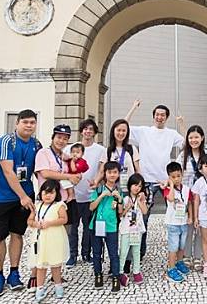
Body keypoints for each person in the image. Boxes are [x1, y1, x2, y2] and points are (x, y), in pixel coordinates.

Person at [0, 109, 42, 297]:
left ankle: (14, 272)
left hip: (25, 198)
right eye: (25, 122)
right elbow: (8, 172)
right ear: (16, 123)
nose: (29, 125)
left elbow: (40, 170)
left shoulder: (36, 144)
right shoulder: (6, 141)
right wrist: (23, 196)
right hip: (2, 198)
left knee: (17, 235)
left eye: (32, 122)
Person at [125, 99, 184, 259]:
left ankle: (178, 252)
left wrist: (182, 123)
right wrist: (133, 108)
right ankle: (139, 252)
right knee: (142, 217)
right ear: (153, 116)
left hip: (166, 181)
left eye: (163, 115)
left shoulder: (171, 133)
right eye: (157, 114)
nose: (160, 117)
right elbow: (123, 126)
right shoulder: (144, 131)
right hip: (147, 180)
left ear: (167, 117)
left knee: (176, 215)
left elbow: (187, 142)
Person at [32, 125, 82, 285]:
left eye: (65, 138)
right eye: (59, 137)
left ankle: (56, 275)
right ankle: (35, 277)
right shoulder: (44, 153)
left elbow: (72, 171)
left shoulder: (64, 156)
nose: (61, 141)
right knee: (41, 239)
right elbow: (45, 173)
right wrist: (68, 175)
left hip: (63, 201)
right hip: (46, 202)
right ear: (53, 137)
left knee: (59, 239)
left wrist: (76, 175)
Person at [68, 119, 105, 266]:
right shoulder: (71, 148)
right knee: (73, 228)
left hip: (90, 195)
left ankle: (86, 253)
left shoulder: (100, 149)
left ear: (95, 132)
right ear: (81, 131)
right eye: (85, 129)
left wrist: (96, 181)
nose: (88, 132)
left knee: (88, 228)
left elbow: (101, 169)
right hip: (73, 195)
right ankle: (72, 255)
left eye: (91, 129)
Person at [175, 124, 207, 271]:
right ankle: (187, 255)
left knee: (201, 227)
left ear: (202, 138)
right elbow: (176, 175)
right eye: (190, 137)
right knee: (189, 227)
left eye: (196, 137)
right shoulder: (183, 156)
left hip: (203, 198)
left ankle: (198, 256)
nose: (193, 140)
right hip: (188, 197)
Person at [27, 179, 69, 302]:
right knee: (40, 264)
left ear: (57, 194)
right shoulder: (37, 206)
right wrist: (36, 224)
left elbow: (63, 219)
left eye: (51, 193)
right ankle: (40, 288)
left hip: (54, 238)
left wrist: (49, 223)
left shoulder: (59, 205)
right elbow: (29, 221)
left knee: (55, 264)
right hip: (40, 239)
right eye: (45, 192)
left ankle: (58, 286)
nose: (48, 195)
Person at [90, 160, 123, 293]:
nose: (112, 175)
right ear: (105, 174)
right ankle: (98, 275)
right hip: (96, 225)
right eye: (109, 172)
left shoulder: (119, 190)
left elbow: (120, 211)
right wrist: (102, 195)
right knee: (97, 253)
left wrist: (119, 199)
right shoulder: (98, 189)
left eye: (115, 172)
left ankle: (115, 277)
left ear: (118, 174)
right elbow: (91, 207)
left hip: (111, 226)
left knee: (113, 253)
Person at [161, 162, 192, 283]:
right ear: (169, 177)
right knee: (173, 247)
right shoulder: (167, 189)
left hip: (183, 221)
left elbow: (189, 203)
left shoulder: (186, 189)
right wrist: (171, 185)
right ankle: (171, 268)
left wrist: (191, 217)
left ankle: (179, 262)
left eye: (178, 176)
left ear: (182, 174)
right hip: (172, 222)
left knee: (181, 245)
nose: (176, 179)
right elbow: (171, 198)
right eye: (173, 177)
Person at [118, 173, 149, 287]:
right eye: (135, 185)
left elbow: (145, 212)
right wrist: (128, 207)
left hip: (137, 230)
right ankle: (120, 272)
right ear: (130, 185)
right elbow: (120, 215)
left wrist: (141, 201)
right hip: (126, 229)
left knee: (136, 251)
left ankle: (136, 271)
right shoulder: (125, 199)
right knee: (124, 251)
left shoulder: (141, 199)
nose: (137, 188)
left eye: (140, 186)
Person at [95, 119, 140, 192]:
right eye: (118, 130)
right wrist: (95, 182)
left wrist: (140, 187)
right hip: (112, 190)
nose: (121, 133)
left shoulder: (132, 149)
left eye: (124, 130)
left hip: (130, 191)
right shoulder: (107, 151)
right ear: (113, 131)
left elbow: (137, 170)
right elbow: (101, 171)